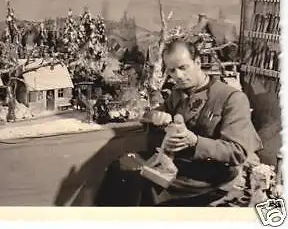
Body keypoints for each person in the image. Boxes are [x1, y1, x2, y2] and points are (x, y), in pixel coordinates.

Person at [95, 39, 263, 206]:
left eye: (183, 68)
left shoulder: (232, 98)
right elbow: (148, 114)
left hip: (211, 175)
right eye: (172, 71)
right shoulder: (177, 93)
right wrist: (155, 116)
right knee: (119, 168)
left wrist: (195, 141)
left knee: (138, 183)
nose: (178, 76)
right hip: (179, 165)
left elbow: (237, 152)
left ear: (198, 62)